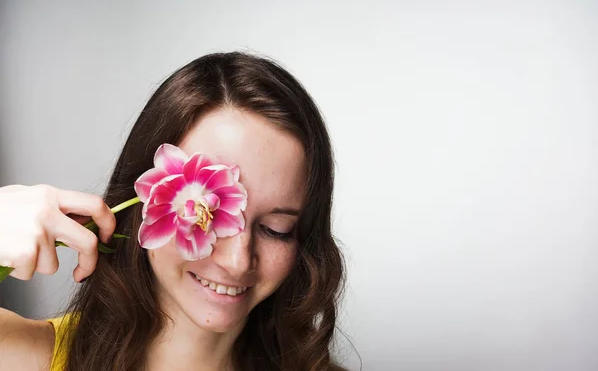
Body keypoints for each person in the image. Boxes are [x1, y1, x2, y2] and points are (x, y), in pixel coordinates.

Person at [0, 52, 346, 371]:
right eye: (210, 216)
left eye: (276, 229)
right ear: (147, 202)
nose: (238, 261)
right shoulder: (28, 356)